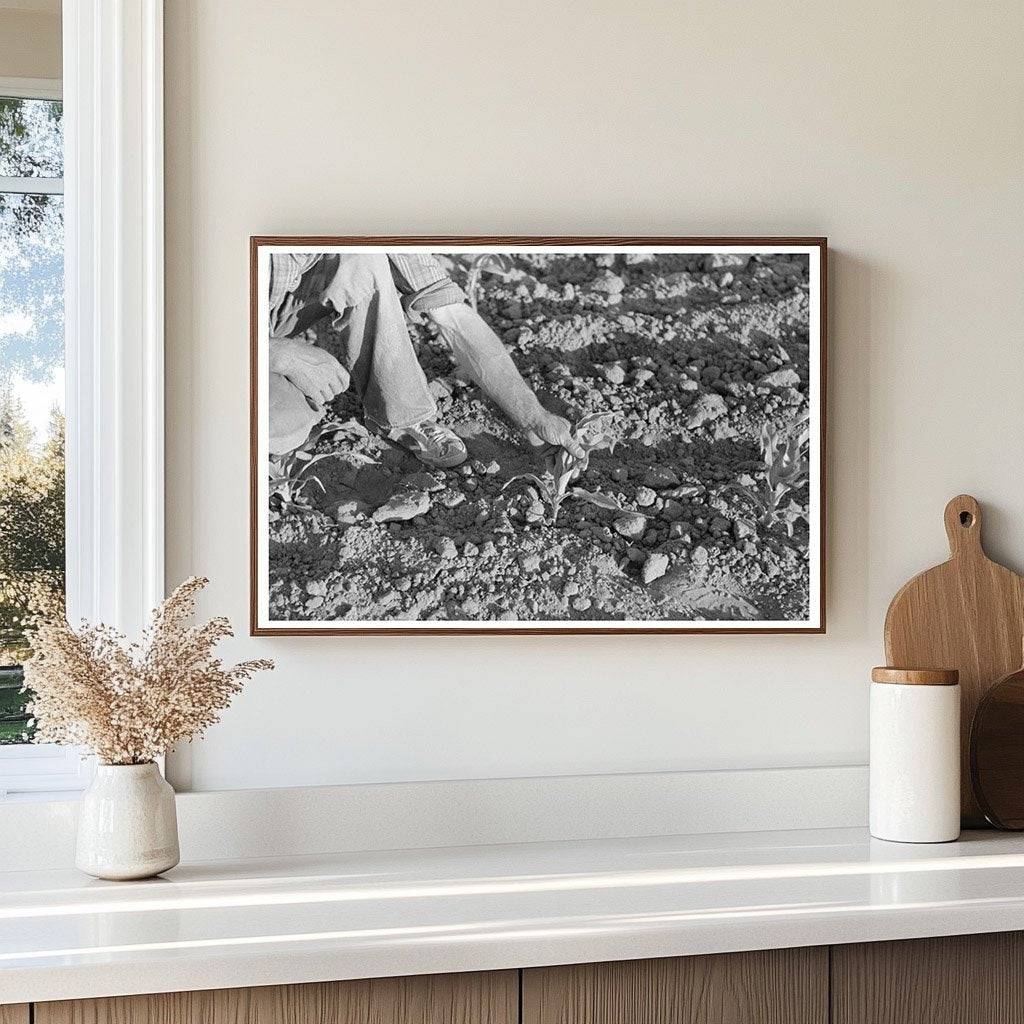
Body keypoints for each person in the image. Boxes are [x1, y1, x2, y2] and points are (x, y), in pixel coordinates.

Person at [268, 252, 583, 467]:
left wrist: (533, 417)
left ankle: (398, 415)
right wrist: (279, 354)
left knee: (363, 258)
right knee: (284, 425)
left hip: (269, 310)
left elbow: (455, 320)